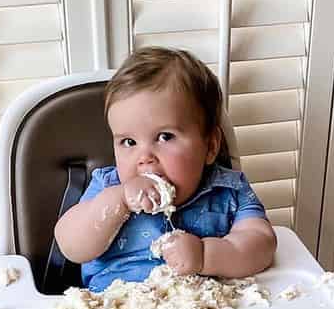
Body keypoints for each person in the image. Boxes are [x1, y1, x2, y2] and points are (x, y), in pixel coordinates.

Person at [53, 48, 276, 292]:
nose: (144, 157)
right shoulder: (109, 186)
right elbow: (71, 245)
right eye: (129, 142)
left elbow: (262, 245)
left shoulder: (230, 189)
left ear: (210, 146)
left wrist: (205, 255)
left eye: (164, 137)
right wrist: (118, 201)